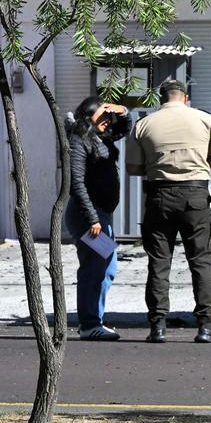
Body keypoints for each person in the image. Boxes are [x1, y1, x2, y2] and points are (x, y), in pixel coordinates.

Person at [125, 79, 211, 344]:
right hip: (195, 196)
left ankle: (157, 326)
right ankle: (206, 326)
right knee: (201, 261)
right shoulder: (204, 120)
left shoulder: (144, 124)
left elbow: (133, 168)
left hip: (159, 196)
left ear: (162, 98)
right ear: (185, 97)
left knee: (159, 263)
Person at [65, 96, 131, 341]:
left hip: (99, 215)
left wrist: (122, 111)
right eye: (102, 115)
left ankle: (94, 320)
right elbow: (77, 184)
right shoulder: (79, 140)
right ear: (88, 115)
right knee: (95, 267)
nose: (107, 119)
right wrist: (92, 219)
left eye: (108, 115)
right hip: (87, 217)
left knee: (106, 266)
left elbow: (124, 128)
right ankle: (90, 323)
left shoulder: (99, 137)